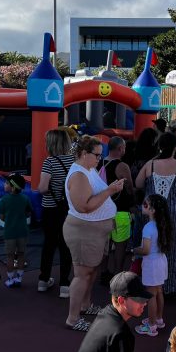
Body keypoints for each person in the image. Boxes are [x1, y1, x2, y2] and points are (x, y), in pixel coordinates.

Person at [64, 136, 123, 332]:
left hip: (93, 231)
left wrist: (111, 190)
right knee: (82, 274)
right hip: (84, 231)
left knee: (90, 271)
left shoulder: (88, 170)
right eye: (96, 155)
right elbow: (84, 206)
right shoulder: (79, 175)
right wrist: (110, 191)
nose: (100, 158)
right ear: (83, 153)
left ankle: (85, 305)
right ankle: (73, 318)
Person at [136, 132, 176, 295]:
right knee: (173, 245)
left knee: (151, 245)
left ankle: (151, 284)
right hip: (175, 211)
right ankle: (171, 285)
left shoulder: (150, 165)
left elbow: (138, 183)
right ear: (175, 148)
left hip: (152, 211)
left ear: (159, 146)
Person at [37, 129, 75, 297]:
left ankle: (43, 280)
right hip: (68, 209)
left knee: (49, 244)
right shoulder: (74, 161)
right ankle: (64, 284)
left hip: (51, 209)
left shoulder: (50, 162)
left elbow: (42, 188)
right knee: (66, 246)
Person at [133, 194, 171, 337]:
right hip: (161, 261)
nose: (143, 206)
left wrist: (135, 250)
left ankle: (151, 325)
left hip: (151, 264)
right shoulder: (163, 225)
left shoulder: (148, 227)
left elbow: (146, 250)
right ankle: (158, 319)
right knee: (159, 291)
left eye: (145, 204)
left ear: (152, 210)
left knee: (151, 295)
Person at [99, 137, 135, 286]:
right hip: (119, 210)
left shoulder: (98, 163)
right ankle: (117, 274)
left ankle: (103, 273)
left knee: (104, 245)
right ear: (120, 148)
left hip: (102, 211)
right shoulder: (121, 166)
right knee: (120, 245)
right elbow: (130, 188)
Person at [0, 173, 32, 289]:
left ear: (12, 187)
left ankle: (10, 279)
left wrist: (10, 219)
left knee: (10, 256)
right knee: (21, 254)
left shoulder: (4, 200)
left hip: (10, 232)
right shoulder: (25, 198)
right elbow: (28, 213)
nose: (4, 184)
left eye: (6, 183)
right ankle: (19, 278)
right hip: (23, 231)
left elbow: (2, 217)